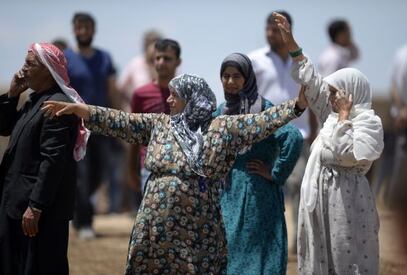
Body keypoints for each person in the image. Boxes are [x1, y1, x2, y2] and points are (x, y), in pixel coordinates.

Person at [42, 72, 307, 274]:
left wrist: (296, 105)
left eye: (174, 95)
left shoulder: (222, 128)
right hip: (155, 226)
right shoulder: (160, 124)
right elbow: (122, 121)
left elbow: (262, 122)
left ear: (192, 97)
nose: (168, 100)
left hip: (199, 227)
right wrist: (84, 110)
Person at [274, 13, 384, 274]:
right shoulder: (331, 116)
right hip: (321, 199)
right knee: (320, 253)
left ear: (352, 92)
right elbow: (311, 81)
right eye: (332, 92)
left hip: (346, 203)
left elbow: (346, 154)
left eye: (336, 92)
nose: (332, 98)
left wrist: (345, 116)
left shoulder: (368, 123)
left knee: (346, 255)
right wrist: (292, 43)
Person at [0, 43, 86, 275]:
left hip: (40, 211)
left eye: (30, 64)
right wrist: (12, 96)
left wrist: (36, 206)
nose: (23, 69)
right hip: (16, 202)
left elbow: (53, 161)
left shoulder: (56, 105)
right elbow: (4, 128)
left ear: (48, 69)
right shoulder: (33, 100)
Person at [213, 52, 303, 274]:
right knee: (229, 250)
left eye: (237, 76)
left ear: (248, 78)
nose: (231, 82)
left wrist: (275, 173)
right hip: (228, 193)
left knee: (258, 252)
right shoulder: (220, 111)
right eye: (226, 76)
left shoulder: (262, 107)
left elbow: (293, 136)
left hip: (258, 194)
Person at [248, 10, 318, 254]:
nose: (270, 33)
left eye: (276, 28)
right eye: (267, 28)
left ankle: (297, 244)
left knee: (300, 185)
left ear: (287, 30)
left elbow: (311, 95)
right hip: (264, 136)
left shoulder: (302, 60)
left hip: (298, 135)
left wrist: (315, 132)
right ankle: (263, 241)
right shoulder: (253, 60)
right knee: (263, 186)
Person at [64, 12, 118, 238]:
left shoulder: (105, 58)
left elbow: (112, 91)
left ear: (93, 31)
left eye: (87, 28)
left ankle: (79, 216)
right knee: (82, 175)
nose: (83, 32)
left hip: (102, 126)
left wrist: (118, 122)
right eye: (79, 28)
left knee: (100, 174)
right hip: (76, 126)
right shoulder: (65, 58)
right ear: (74, 30)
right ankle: (85, 222)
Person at [128, 39, 181, 203]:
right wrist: (131, 169)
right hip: (149, 167)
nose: (161, 63)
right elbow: (134, 134)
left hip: (179, 169)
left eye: (167, 58)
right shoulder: (141, 95)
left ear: (178, 62)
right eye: (157, 58)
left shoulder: (186, 94)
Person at [387, 24, 407, 269]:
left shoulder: (402, 53)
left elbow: (394, 84)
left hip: (402, 117)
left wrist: (401, 110)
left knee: (402, 163)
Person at [117, 30, 163, 112]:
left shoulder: (166, 65)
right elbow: (120, 89)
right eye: (150, 43)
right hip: (136, 114)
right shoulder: (135, 63)